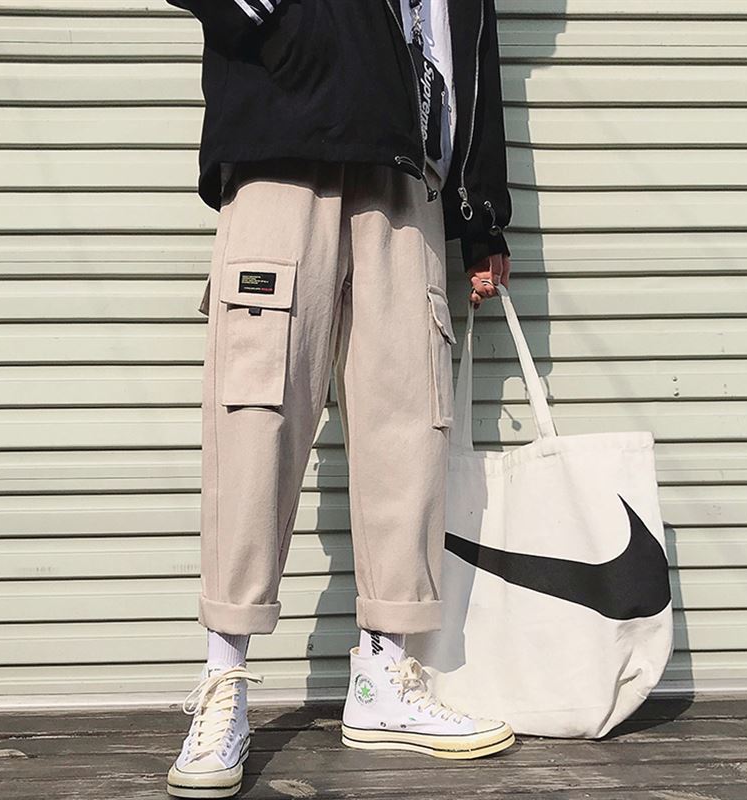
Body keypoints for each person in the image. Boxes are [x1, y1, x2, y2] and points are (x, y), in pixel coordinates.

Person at [164, 1, 514, 796]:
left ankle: (385, 676)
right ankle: (224, 681)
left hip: (406, 175)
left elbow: (469, 45)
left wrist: (481, 213)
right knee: (258, 415)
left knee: (408, 420)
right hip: (282, 141)